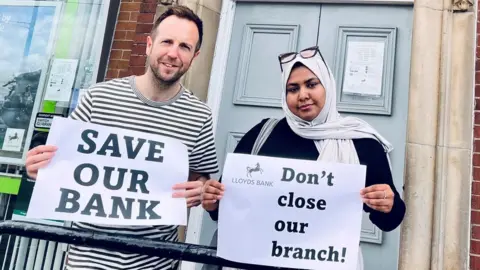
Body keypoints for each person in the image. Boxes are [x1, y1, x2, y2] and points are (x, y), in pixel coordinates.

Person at [24, 6, 219, 270]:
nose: (173, 53)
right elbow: (60, 166)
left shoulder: (200, 115)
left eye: (184, 46)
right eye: (167, 42)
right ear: (149, 45)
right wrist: (40, 169)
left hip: (155, 262)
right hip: (87, 260)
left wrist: (201, 188)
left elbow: (202, 178)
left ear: (194, 56)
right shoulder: (97, 98)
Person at [201, 46, 406, 270]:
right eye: (293, 88)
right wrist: (212, 202)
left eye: (311, 84)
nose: (303, 95)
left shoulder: (362, 144)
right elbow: (225, 208)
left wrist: (388, 203)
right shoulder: (262, 134)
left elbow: (389, 221)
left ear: (327, 84)